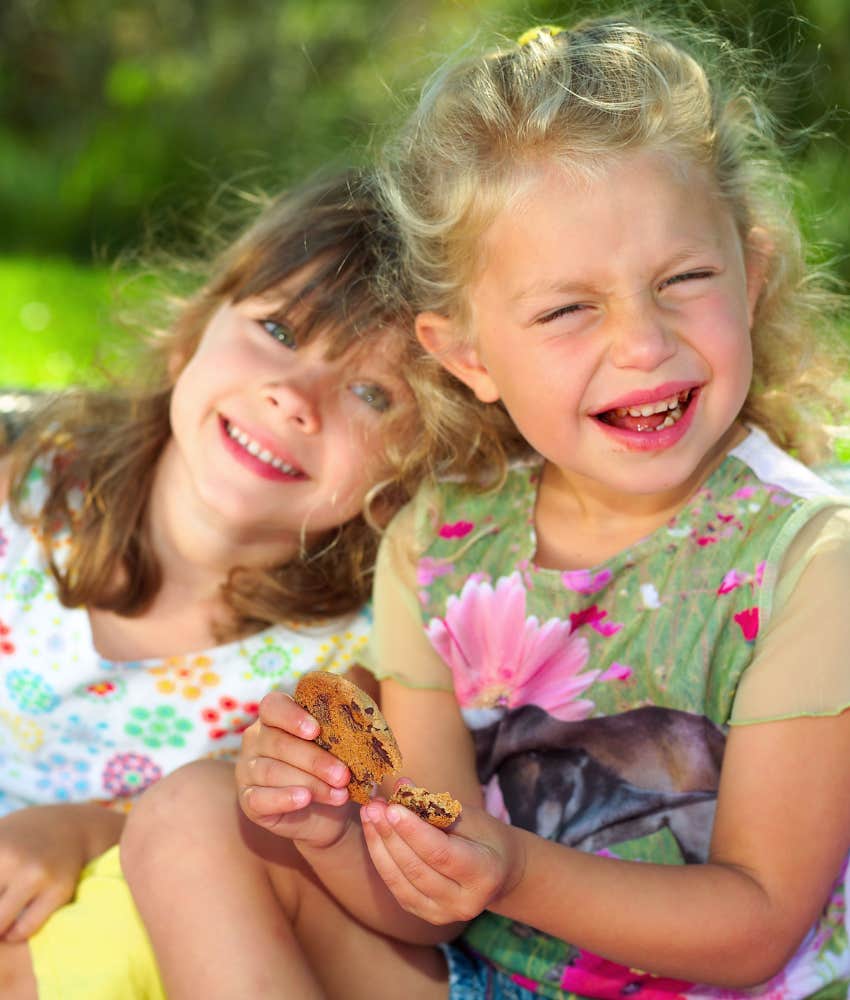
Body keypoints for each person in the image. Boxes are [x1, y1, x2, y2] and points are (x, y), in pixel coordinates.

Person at [121, 13, 850, 1000]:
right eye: (566, 308)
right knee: (196, 813)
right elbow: (435, 898)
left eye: (682, 281)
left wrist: (511, 864)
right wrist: (337, 832)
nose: (642, 343)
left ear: (751, 278)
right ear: (467, 354)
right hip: (477, 978)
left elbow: (757, 922)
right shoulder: (441, 543)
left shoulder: (811, 562)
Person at [0, 168, 462, 998]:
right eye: (280, 331)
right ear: (191, 334)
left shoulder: (346, 665)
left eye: (369, 393)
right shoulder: (22, 487)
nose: (295, 397)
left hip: (118, 929)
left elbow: (259, 860)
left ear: (403, 476)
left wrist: (80, 830)